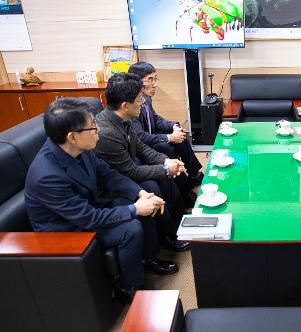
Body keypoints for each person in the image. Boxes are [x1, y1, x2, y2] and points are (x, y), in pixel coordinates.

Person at [25, 97, 179, 302]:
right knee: (130, 229)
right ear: (72, 136)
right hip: (66, 229)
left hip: (89, 205)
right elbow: (87, 218)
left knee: (146, 200)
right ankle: (129, 289)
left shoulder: (78, 147)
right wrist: (134, 209)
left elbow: (107, 173)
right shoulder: (47, 176)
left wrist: (139, 193)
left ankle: (148, 259)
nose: (98, 130)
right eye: (93, 127)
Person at [95, 73, 189, 252]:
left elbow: (141, 149)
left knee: (162, 176)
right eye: (139, 99)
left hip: (126, 171)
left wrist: (167, 161)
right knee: (152, 184)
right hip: (112, 185)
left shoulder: (123, 118)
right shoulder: (107, 133)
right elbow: (130, 172)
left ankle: (177, 223)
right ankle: (163, 242)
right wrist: (164, 168)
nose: (143, 102)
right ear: (125, 105)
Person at [128, 62, 203, 188]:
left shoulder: (146, 97)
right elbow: (140, 136)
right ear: (136, 82)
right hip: (141, 144)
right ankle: (181, 185)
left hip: (150, 135)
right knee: (166, 147)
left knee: (180, 136)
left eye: (155, 79)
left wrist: (173, 126)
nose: (155, 84)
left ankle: (194, 174)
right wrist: (169, 137)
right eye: (150, 80)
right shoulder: (133, 103)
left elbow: (156, 119)